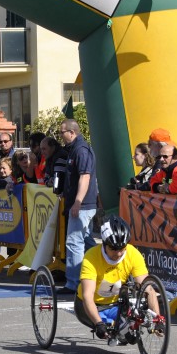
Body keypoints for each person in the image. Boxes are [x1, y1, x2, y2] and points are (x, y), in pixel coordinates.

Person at [76, 216, 166, 339]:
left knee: (130, 332)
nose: (118, 254)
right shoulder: (91, 257)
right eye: (113, 249)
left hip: (117, 305)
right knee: (107, 329)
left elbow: (148, 289)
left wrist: (157, 319)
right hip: (90, 306)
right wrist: (98, 324)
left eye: (122, 248)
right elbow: (87, 296)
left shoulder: (132, 253)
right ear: (104, 244)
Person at [59, 119, 98, 295]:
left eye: (62, 132)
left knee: (74, 242)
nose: (61, 136)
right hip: (82, 204)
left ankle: (73, 283)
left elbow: (85, 176)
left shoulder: (81, 150)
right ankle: (98, 274)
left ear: (72, 132)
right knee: (87, 241)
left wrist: (78, 202)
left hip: (82, 205)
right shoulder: (75, 149)